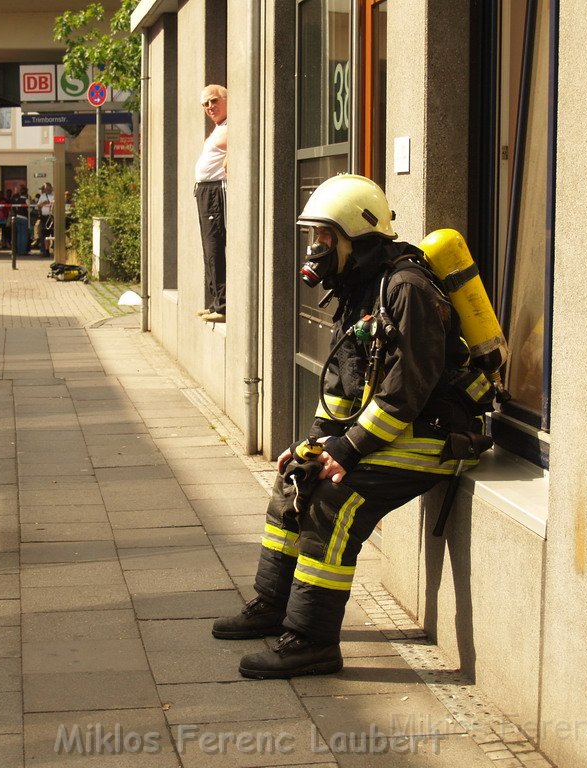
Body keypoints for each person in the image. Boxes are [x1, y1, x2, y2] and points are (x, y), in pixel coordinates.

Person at [211, 174, 495, 679]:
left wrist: (347, 451)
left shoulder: (407, 290)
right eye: (314, 238)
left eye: (325, 238)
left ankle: (313, 641)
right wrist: (316, 445)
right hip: (397, 429)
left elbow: (404, 396)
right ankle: (274, 607)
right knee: (295, 476)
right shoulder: (358, 287)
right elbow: (345, 386)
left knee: (334, 501)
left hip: (437, 434)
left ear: (356, 236)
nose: (316, 250)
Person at [194, 84, 228, 323]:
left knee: (214, 244)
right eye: (205, 104)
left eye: (214, 101)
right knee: (208, 247)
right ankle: (213, 301)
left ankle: (222, 305)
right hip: (205, 190)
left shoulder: (231, 126)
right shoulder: (219, 128)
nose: (209, 107)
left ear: (227, 99)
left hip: (215, 192)